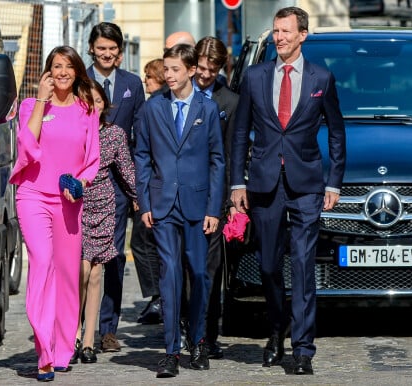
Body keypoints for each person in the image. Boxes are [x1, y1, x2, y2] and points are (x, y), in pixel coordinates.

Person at [229, 7, 346, 376]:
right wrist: (237, 182)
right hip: (264, 183)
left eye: (285, 31)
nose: (278, 37)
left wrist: (333, 182)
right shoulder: (255, 76)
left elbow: (337, 133)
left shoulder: (321, 78)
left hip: (307, 185)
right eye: (275, 31)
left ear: (302, 35)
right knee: (268, 266)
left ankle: (303, 348)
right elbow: (239, 132)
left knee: (303, 265)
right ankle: (276, 331)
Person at [9, 45, 100, 381]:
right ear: (48, 71)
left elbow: (92, 158)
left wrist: (80, 183)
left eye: (68, 67)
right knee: (43, 264)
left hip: (69, 201)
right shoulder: (32, 106)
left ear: (77, 72)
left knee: (66, 275)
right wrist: (41, 101)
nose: (62, 72)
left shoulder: (86, 108)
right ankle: (44, 353)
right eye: (56, 66)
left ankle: (63, 349)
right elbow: (27, 147)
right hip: (33, 196)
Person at [134, 43, 225, 378]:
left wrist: (214, 208)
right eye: (166, 69)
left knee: (199, 273)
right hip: (162, 205)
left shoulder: (208, 108)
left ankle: (198, 341)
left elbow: (218, 160)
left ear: (190, 70)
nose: (169, 76)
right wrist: (144, 201)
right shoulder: (153, 108)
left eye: (175, 69)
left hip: (198, 205)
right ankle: (170, 351)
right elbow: (141, 155)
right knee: (169, 275)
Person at [86, 22, 145, 352]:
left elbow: (139, 138)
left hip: (118, 188)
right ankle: (83, 325)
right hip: (82, 184)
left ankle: (108, 328)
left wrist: (138, 188)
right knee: (81, 257)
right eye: (101, 48)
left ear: (120, 52)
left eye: (113, 48)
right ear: (92, 48)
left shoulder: (132, 84)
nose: (107, 53)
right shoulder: (82, 82)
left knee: (113, 258)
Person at [71, 80, 137, 365]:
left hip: (103, 204)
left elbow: (127, 170)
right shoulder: (71, 133)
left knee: (96, 272)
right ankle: (71, 331)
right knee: (80, 271)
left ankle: (87, 341)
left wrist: (141, 199)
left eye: (97, 101)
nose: (92, 107)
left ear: (105, 105)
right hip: (74, 205)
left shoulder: (115, 135)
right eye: (87, 102)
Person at [192, 35, 239, 360]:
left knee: (210, 268)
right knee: (183, 266)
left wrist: (232, 196)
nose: (205, 74)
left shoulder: (229, 101)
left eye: (212, 69)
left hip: (213, 195)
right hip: (179, 194)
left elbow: (233, 153)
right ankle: (186, 325)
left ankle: (207, 335)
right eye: (200, 67)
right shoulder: (177, 93)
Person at [132, 58, 166, 325]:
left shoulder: (149, 108)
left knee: (143, 242)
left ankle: (157, 297)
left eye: (150, 76)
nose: (146, 80)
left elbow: (143, 151)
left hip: (153, 184)